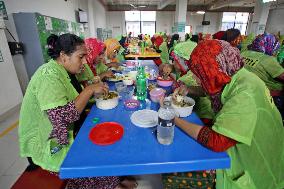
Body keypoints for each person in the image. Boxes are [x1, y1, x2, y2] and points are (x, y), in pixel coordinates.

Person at [19, 33, 137, 189]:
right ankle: (107, 183)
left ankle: (114, 179)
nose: (84, 62)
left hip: (67, 131)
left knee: (106, 145)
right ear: (63, 56)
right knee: (93, 163)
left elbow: (74, 99)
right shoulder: (48, 76)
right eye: (80, 57)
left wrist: (92, 92)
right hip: (50, 142)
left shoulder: (66, 72)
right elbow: (63, 118)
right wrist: (88, 90)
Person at [163, 39, 284, 189]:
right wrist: (189, 89)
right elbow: (217, 91)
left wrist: (173, 118)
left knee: (174, 174)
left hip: (254, 167)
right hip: (246, 147)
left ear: (214, 71)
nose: (195, 78)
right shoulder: (238, 75)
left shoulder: (245, 95)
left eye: (199, 74)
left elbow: (217, 141)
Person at [241, 33, 284, 117]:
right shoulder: (268, 60)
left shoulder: (244, 53)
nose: (275, 52)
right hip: (269, 94)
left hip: (247, 90)